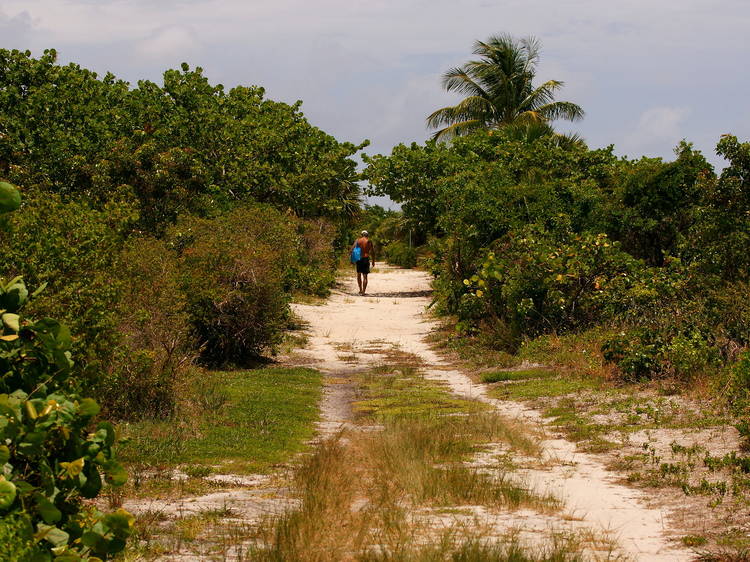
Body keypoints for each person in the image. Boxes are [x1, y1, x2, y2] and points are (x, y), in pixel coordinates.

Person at [351, 230, 375, 295]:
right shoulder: (369, 241)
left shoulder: (358, 240)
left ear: (361, 235)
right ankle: (364, 291)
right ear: (367, 235)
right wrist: (373, 261)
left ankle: (360, 290)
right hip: (366, 258)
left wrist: (352, 259)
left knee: (359, 274)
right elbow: (372, 252)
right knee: (365, 276)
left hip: (359, 258)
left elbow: (352, 249)